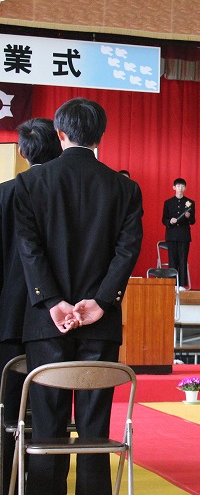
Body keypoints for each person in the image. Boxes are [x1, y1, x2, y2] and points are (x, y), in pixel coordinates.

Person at [14, 98, 144, 495]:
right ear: (100, 136)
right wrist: (101, 302)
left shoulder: (30, 183)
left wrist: (52, 301)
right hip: (100, 323)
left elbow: (29, 249)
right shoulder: (125, 188)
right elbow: (127, 252)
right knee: (94, 427)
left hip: (45, 321)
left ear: (60, 134)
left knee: (47, 425)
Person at [0, 118, 61, 495]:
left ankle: (5, 482)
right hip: (56, 319)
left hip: (8, 317)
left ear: (22, 152)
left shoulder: (5, 193)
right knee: (51, 412)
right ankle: (46, 484)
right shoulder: (67, 196)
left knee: (7, 411)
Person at [162, 177, 195, 289]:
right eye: (178, 186)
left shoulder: (190, 203)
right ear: (174, 187)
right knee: (172, 260)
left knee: (183, 260)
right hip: (171, 235)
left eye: (182, 186)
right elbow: (163, 219)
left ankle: (181, 284)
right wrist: (169, 221)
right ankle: (173, 284)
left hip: (184, 235)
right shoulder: (168, 202)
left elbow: (193, 221)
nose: (180, 188)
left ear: (185, 188)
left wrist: (188, 217)